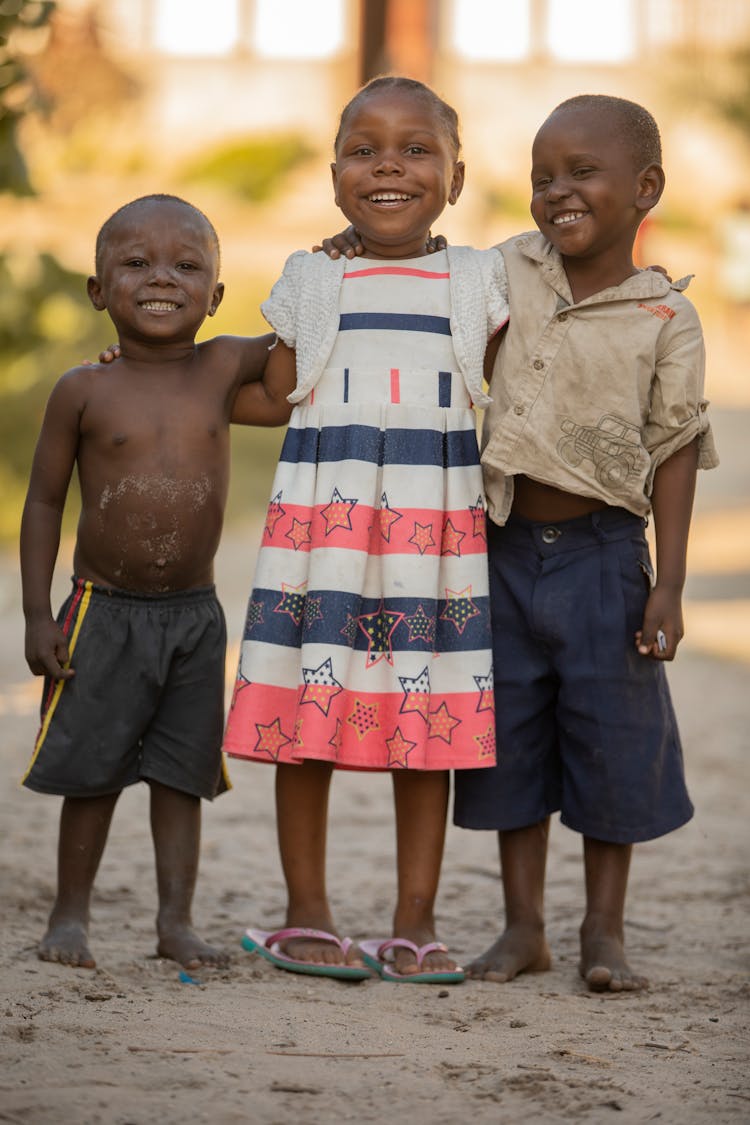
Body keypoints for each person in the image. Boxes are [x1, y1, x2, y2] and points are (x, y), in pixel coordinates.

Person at [320, 93, 718, 992]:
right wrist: (356, 251)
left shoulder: (666, 319)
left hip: (607, 556)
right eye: (543, 177)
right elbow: (421, 273)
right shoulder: (505, 271)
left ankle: (602, 932)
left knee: (613, 741)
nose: (557, 192)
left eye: (583, 173)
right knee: (510, 739)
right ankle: (523, 926)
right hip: (495, 548)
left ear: (646, 187)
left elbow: (680, 448)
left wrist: (672, 583)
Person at [222, 76, 509, 982]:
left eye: (417, 148)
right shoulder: (312, 276)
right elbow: (269, 392)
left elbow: (523, 374)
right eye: (364, 149)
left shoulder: (479, 280)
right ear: (335, 174)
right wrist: (150, 376)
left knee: (422, 723)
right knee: (306, 721)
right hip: (324, 541)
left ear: (457, 178)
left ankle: (413, 922)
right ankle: (307, 912)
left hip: (437, 547)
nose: (389, 163)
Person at [20, 193, 293, 970]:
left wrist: (324, 264)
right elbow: (41, 502)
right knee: (94, 771)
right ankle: (69, 916)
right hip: (102, 612)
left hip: (195, 618)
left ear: (215, 295)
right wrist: (39, 616)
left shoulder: (221, 367)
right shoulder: (83, 388)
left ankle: (176, 922)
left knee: (183, 774)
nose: (161, 277)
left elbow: (293, 360)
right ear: (98, 290)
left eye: (187, 264)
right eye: (135, 263)